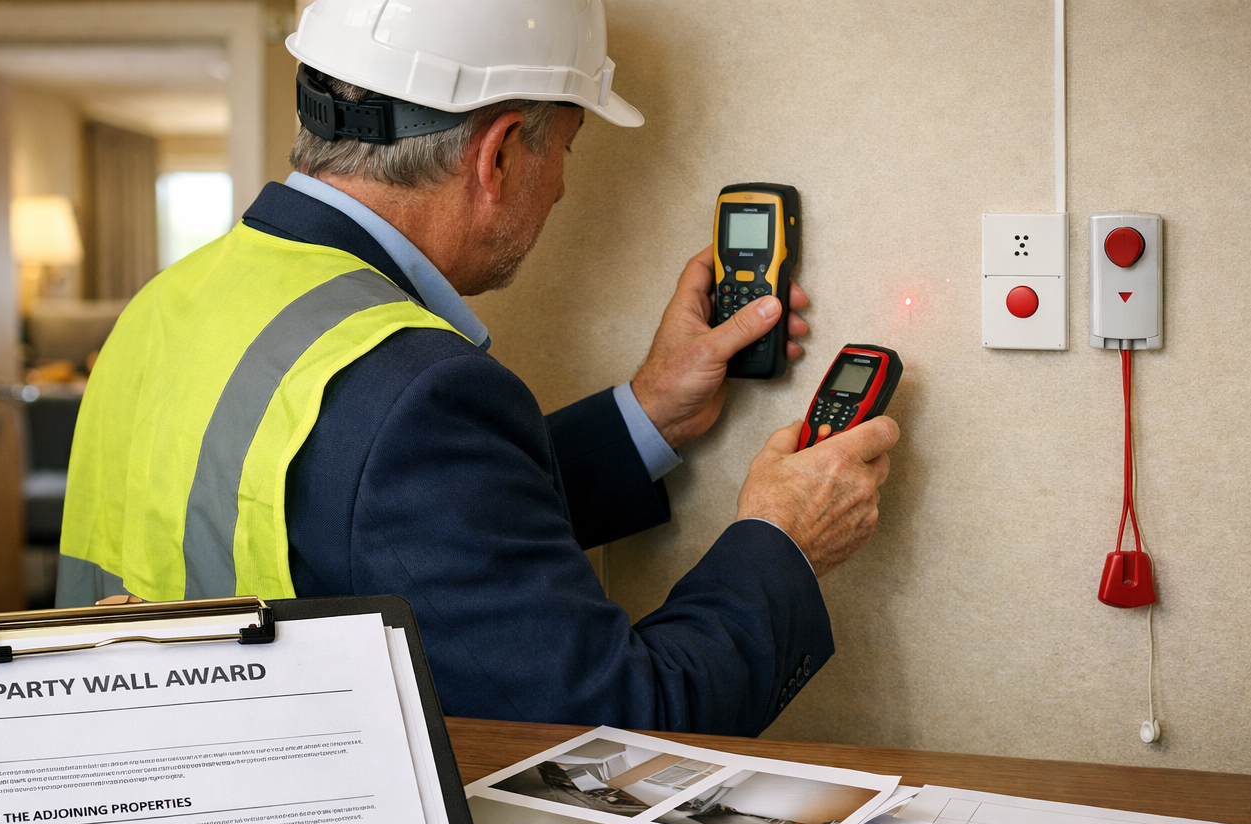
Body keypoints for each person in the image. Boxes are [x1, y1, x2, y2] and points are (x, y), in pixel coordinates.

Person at [58, 0, 900, 735]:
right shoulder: (419, 387)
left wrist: (647, 413)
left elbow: (380, 526)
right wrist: (783, 539)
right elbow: (623, 724)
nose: (563, 191)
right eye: (566, 151)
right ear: (497, 156)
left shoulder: (168, 302)